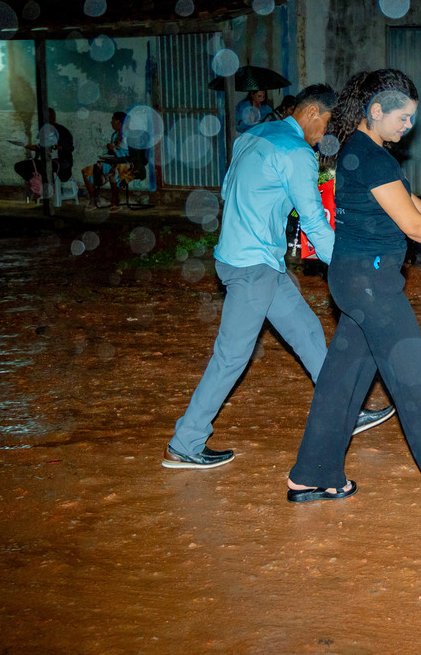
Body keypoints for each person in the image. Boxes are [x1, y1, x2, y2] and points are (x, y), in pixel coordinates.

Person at [287, 68, 421, 520]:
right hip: (372, 286)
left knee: (341, 381)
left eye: (411, 118)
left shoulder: (363, 150)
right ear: (376, 111)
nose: (408, 127)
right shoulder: (374, 158)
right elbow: (410, 225)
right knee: (417, 382)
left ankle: (312, 473)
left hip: (351, 282)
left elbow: (408, 203)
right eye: (403, 118)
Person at [163, 84, 395, 470]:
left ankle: (344, 412)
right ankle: (185, 442)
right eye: (326, 126)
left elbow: (229, 189)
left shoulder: (251, 136)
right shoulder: (297, 153)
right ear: (311, 114)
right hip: (254, 266)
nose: (327, 137)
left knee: (305, 330)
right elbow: (314, 222)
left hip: (247, 258)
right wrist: (349, 262)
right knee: (231, 356)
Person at [14, 108, 73, 197]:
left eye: (50, 117)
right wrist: (26, 145)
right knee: (19, 166)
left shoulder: (62, 131)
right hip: (45, 162)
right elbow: (39, 147)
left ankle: (42, 185)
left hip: (61, 164)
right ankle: (35, 181)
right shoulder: (44, 131)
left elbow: (67, 148)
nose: (47, 120)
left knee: (46, 167)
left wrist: (53, 146)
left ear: (54, 118)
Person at [82, 111, 130, 209]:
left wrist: (113, 149)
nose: (111, 123)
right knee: (87, 171)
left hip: (125, 164)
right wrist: (109, 153)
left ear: (118, 122)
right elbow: (114, 153)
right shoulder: (115, 135)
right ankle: (93, 200)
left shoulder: (129, 136)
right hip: (114, 162)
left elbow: (128, 156)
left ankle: (115, 201)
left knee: (114, 174)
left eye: (112, 120)